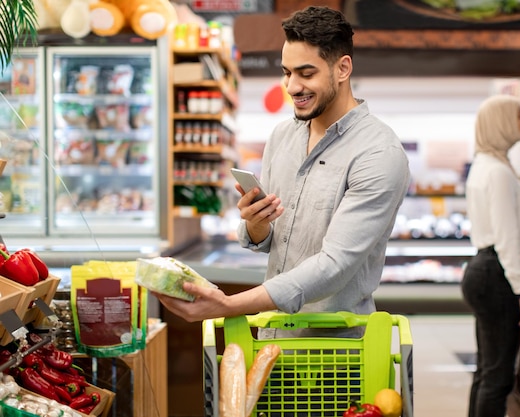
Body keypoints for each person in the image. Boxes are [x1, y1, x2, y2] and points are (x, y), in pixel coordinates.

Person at [157, 6, 410, 338]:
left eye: (306, 74)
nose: (291, 86)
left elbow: (334, 265)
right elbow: (271, 243)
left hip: (335, 354)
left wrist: (229, 306)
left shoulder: (379, 154)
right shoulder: (282, 137)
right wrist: (256, 223)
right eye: (287, 72)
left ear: (342, 68)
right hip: (272, 337)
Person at [461, 94, 520, 417]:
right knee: (499, 376)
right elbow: (508, 240)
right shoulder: (499, 173)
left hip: (483, 268)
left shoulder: (484, 166)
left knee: (487, 370)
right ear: (503, 122)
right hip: (497, 273)